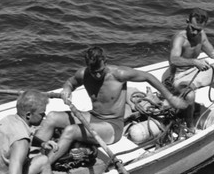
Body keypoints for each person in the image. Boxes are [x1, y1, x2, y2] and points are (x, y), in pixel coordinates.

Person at [34, 46, 188, 164]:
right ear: (87, 66)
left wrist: (171, 97)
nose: (97, 75)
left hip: (112, 126)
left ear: (105, 62)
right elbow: (70, 83)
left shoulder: (119, 74)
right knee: (52, 117)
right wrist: (67, 91)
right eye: (93, 72)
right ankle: (33, 154)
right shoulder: (84, 74)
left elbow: (148, 77)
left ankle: (42, 165)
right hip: (93, 116)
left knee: (70, 131)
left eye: (100, 71)